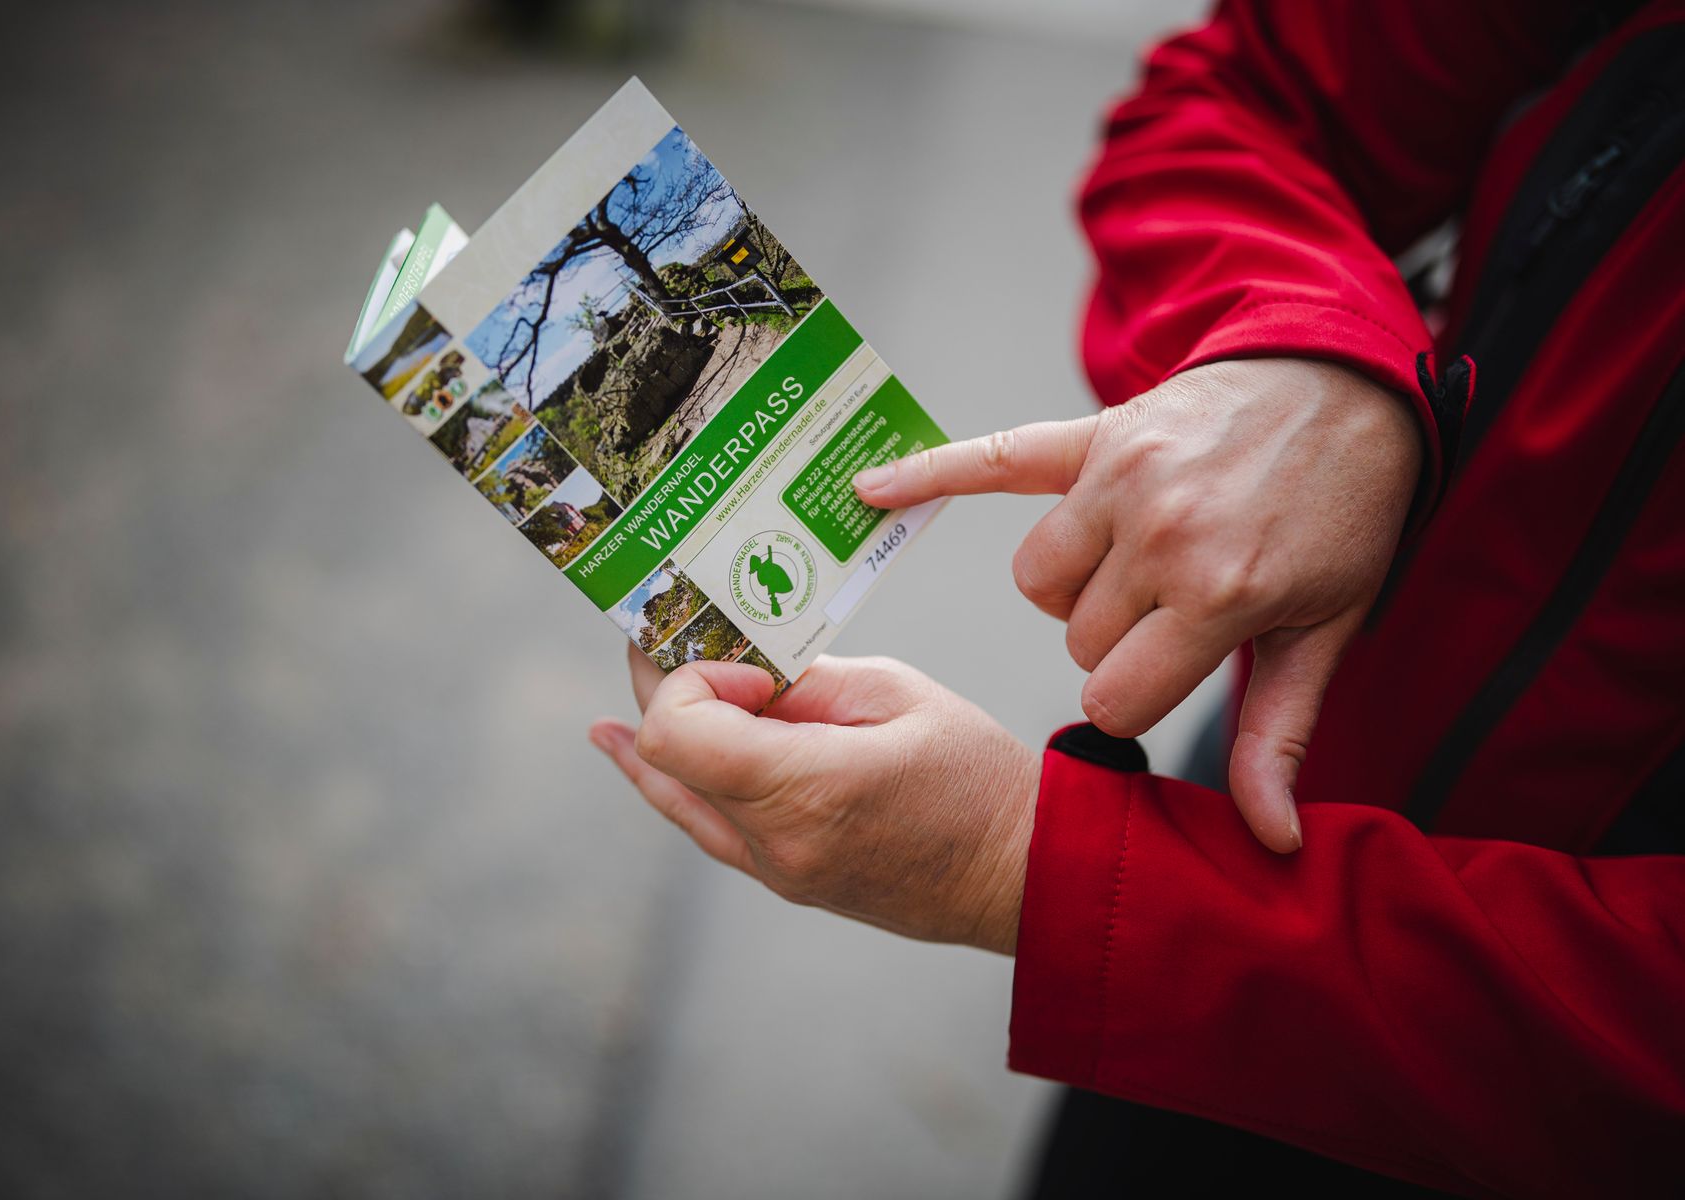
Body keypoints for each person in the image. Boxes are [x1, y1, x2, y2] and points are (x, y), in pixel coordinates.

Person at [588, 1, 1685, 1193]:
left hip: (1287, 972)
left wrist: (1033, 868)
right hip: (1260, 808)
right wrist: (1311, 350)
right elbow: (1247, 89)